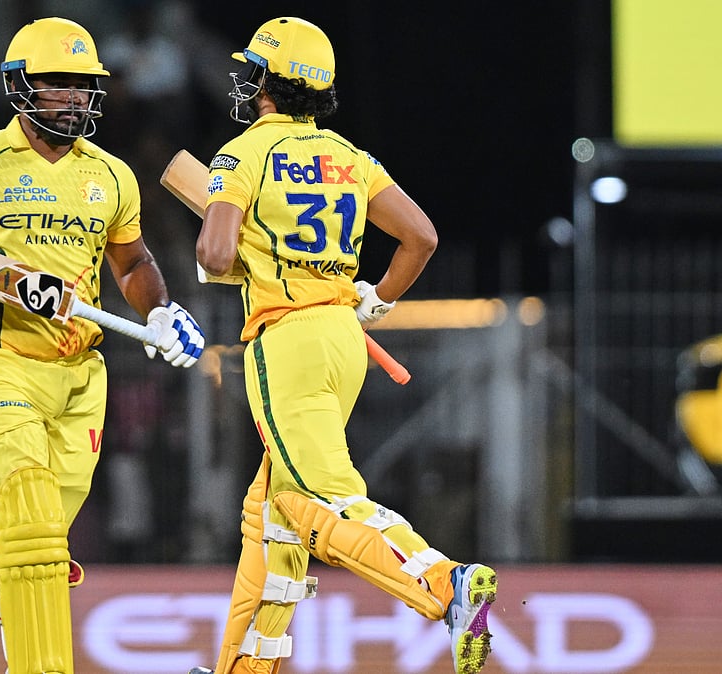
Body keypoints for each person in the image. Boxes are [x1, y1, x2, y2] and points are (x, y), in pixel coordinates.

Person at [0, 17, 204, 674]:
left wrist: (161, 312)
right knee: (29, 524)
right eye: (60, 85)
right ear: (20, 86)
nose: (76, 98)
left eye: (85, 86)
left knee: (37, 542)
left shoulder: (111, 175)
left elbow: (132, 264)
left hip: (82, 378)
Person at [190, 17, 496, 674]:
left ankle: (446, 585)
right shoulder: (350, 157)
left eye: (255, 72)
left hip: (286, 341)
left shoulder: (243, 152)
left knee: (316, 498)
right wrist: (380, 297)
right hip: (341, 337)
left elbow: (215, 253)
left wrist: (225, 258)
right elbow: (422, 237)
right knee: (269, 515)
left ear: (268, 83)